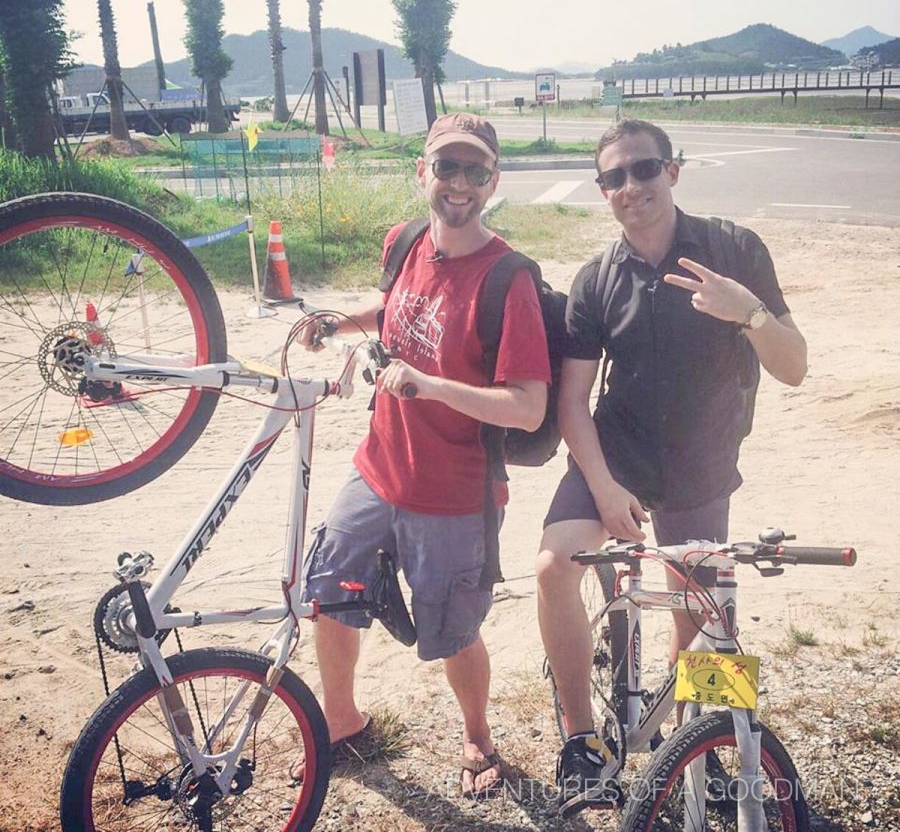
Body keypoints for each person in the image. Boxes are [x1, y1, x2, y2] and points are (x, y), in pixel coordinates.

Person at [536, 118, 807, 817]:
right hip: (617, 454)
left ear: (673, 171)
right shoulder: (596, 278)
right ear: (604, 191)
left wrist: (748, 313)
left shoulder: (733, 249)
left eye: (645, 170)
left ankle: (703, 742)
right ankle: (580, 741)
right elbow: (570, 400)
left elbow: (795, 368)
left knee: (704, 615)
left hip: (700, 459)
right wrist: (601, 484)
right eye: (614, 178)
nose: (631, 187)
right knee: (552, 567)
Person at [297, 113, 551, 796]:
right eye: (447, 167)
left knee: (453, 626)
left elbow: (527, 405)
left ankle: (477, 737)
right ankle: (342, 719)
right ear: (423, 172)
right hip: (378, 467)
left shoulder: (509, 281)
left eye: (474, 170)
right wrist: (335, 322)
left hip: (454, 495)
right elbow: (396, 312)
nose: (459, 184)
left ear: (493, 180)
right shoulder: (405, 241)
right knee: (330, 587)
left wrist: (430, 384)